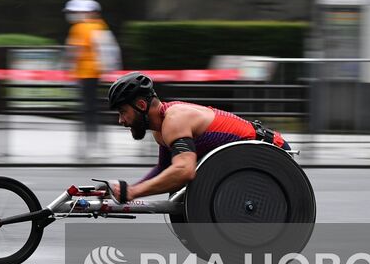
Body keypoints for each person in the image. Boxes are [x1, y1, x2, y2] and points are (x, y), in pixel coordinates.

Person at [100, 71, 287, 202]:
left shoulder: (174, 120)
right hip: (248, 158)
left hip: (272, 153)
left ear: (141, 105)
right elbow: (164, 169)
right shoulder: (160, 131)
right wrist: (125, 191)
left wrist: (132, 192)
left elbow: (184, 171)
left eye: (123, 112)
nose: (121, 120)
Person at [63, 0, 117, 159]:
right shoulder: (100, 25)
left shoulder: (80, 27)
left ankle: (87, 146)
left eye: (73, 12)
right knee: (94, 109)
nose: (71, 16)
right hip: (98, 73)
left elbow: (75, 51)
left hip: (85, 74)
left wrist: (68, 68)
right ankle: (98, 145)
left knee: (87, 111)